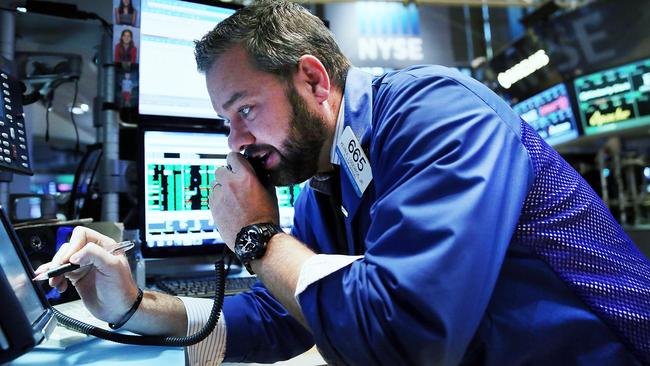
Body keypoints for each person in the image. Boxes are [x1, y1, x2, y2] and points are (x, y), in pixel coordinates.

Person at [37, 1, 650, 365]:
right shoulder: (326, 184)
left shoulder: (434, 113)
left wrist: (256, 238)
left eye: (244, 110)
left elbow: (407, 338)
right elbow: (288, 314)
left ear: (313, 80)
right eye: (226, 123)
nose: (236, 144)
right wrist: (138, 309)